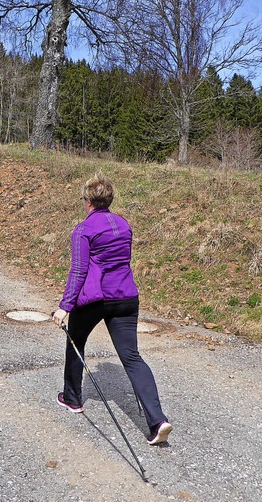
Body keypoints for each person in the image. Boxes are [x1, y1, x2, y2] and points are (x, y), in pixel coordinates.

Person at [52, 171, 172, 445]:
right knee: (132, 357)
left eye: (83, 199)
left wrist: (64, 307)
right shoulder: (124, 225)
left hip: (95, 298)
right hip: (126, 297)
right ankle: (158, 421)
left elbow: (79, 270)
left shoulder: (83, 229)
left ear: (88, 201)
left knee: (75, 342)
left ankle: (72, 399)